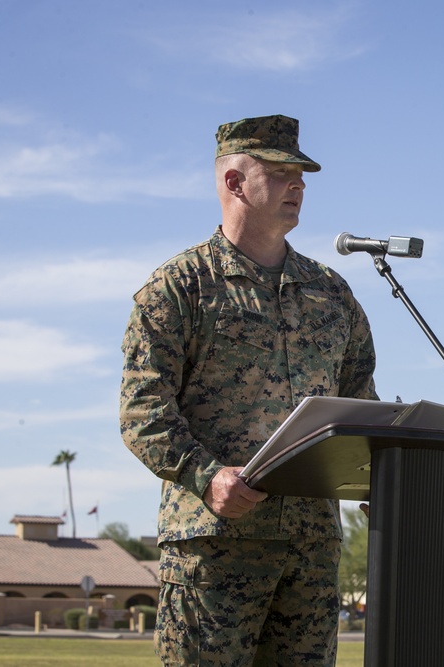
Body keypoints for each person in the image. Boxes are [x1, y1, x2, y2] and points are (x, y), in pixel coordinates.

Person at [119, 114, 378, 666]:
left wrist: (379, 475)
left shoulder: (330, 293)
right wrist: (205, 476)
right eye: (282, 172)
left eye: (302, 174)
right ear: (235, 182)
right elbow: (143, 412)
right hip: (213, 546)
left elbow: (361, 405)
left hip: (309, 550)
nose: (299, 185)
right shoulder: (179, 287)